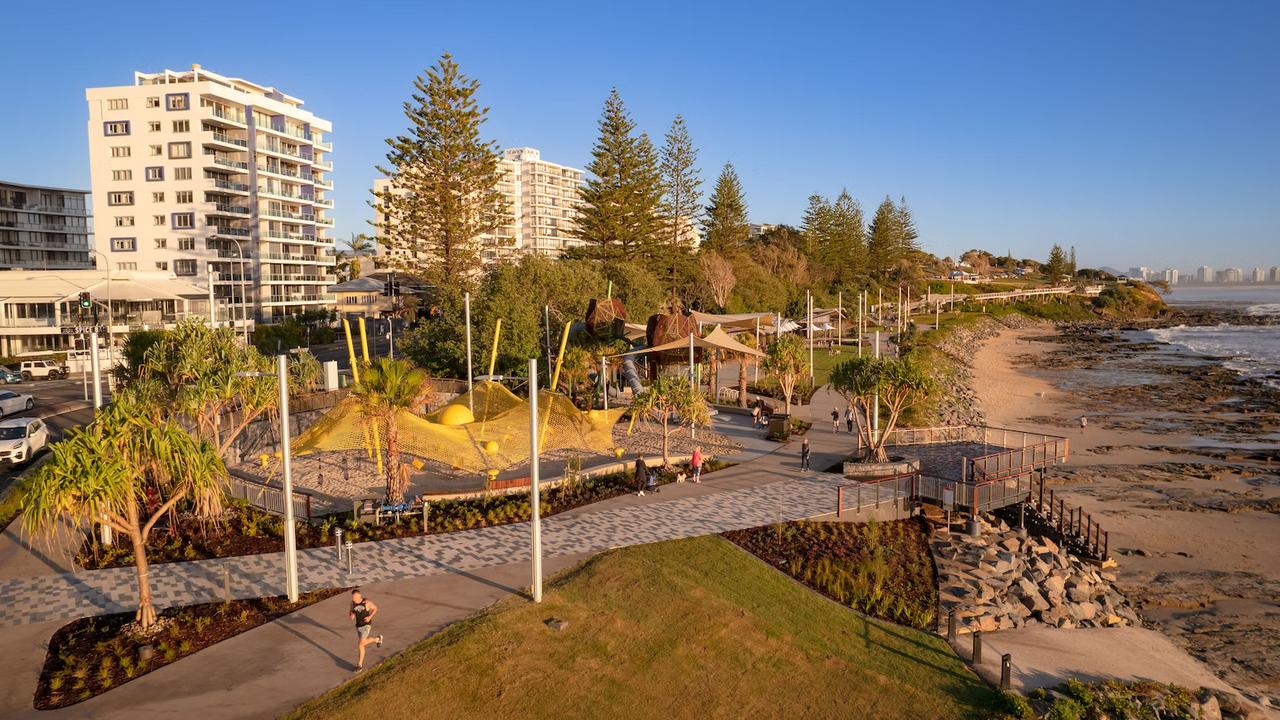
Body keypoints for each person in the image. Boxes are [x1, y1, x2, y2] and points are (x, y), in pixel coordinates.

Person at [349, 588, 382, 672]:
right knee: (362, 644)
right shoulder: (352, 604)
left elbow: (375, 608)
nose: (354, 600)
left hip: (366, 625)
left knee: (360, 644)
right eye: (353, 598)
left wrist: (370, 617)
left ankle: (359, 666)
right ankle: (377, 639)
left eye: (355, 598)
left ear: (359, 596)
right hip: (358, 626)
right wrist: (351, 613)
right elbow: (351, 616)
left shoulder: (366, 603)